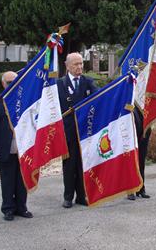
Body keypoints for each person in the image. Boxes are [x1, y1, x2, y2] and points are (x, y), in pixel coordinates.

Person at [0, 71, 33, 221]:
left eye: (14, 81)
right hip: (5, 147)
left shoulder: (24, 99)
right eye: (8, 82)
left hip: (22, 148)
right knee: (7, 180)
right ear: (3, 84)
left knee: (22, 179)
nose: (11, 84)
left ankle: (21, 207)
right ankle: (8, 209)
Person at [57, 52, 97, 208]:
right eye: (76, 64)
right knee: (69, 165)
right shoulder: (59, 84)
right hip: (67, 132)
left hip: (84, 131)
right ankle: (68, 196)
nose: (80, 67)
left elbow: (99, 97)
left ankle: (82, 195)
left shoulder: (88, 82)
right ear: (67, 66)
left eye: (81, 63)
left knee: (82, 164)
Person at [127, 106, 152, 200]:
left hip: (144, 128)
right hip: (129, 131)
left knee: (141, 160)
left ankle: (141, 188)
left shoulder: (142, 98)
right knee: (130, 161)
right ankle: (130, 190)